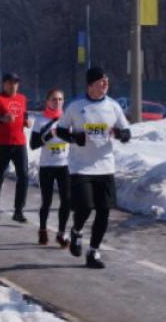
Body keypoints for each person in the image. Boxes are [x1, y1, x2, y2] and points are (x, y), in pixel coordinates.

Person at [56, 67, 131, 269]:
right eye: (101, 81)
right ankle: (77, 230)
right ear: (90, 85)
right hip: (81, 167)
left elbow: (127, 132)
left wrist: (120, 134)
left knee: (104, 211)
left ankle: (93, 252)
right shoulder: (75, 106)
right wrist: (75, 138)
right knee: (85, 206)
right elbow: (61, 130)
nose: (105, 84)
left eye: (106, 81)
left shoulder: (113, 106)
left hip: (105, 166)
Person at [0, 73, 31, 223]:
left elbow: (24, 113)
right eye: (10, 83)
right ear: (3, 84)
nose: (13, 86)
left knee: (23, 176)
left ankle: (18, 211)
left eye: (15, 83)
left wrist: (26, 121)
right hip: (3, 144)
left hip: (19, 143)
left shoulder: (22, 99)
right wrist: (1, 119)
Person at [30, 88, 70, 246]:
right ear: (48, 101)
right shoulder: (40, 120)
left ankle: (61, 233)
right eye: (54, 99)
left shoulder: (67, 119)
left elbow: (73, 139)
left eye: (60, 99)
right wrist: (47, 136)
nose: (57, 102)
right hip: (47, 166)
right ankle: (43, 230)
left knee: (66, 201)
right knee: (47, 201)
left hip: (64, 165)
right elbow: (33, 144)